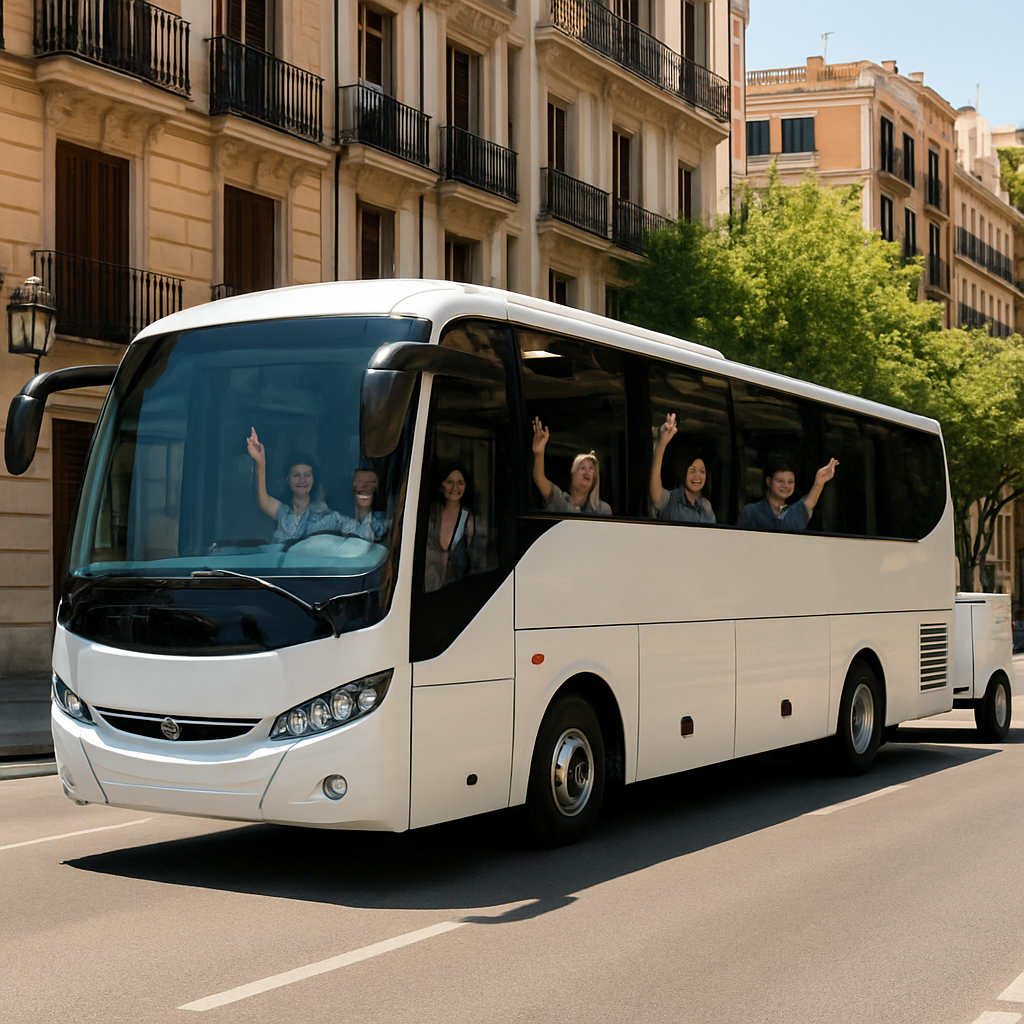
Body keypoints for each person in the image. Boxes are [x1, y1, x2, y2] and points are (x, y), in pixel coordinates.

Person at [246, 427, 343, 542]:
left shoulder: (329, 517)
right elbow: (263, 501)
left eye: (307, 475)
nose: (302, 480)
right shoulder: (283, 512)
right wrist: (260, 461)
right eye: (296, 475)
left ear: (313, 479)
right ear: (287, 479)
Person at [531, 416, 612, 516]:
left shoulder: (603, 510)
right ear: (572, 474)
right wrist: (539, 452)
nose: (587, 472)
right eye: (582, 468)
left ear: (595, 479)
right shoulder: (558, 500)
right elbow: (539, 477)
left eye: (591, 469)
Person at [737, 454, 839, 531]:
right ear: (769, 481)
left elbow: (810, 502)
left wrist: (819, 482)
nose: (786, 486)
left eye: (790, 482)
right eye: (780, 481)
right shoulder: (751, 511)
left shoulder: (796, 512)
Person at [649, 413, 716, 523]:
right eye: (692, 470)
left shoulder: (706, 506)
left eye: (702, 471)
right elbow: (654, 480)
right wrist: (662, 443)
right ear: (682, 471)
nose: (697, 476)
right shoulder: (668, 500)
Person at [424, 464, 476, 592]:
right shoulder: (428, 516)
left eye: (460, 483)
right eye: (449, 482)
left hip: (455, 594)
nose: (455, 488)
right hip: (425, 594)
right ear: (440, 486)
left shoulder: (468, 520)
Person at [335, 467, 391, 542]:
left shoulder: (385, 523)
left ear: (377, 488)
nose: (364, 486)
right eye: (359, 482)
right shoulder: (337, 519)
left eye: (370, 482)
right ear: (352, 487)